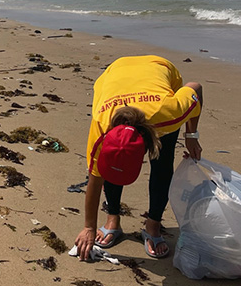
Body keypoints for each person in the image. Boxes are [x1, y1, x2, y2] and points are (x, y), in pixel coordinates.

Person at [74, 55, 203, 261]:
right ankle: (112, 219)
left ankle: (153, 225)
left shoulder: (170, 113)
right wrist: (89, 227)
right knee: (111, 165)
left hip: (160, 67)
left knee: (163, 161)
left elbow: (195, 87)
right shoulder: (101, 127)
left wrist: (191, 136)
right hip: (115, 71)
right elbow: (95, 177)